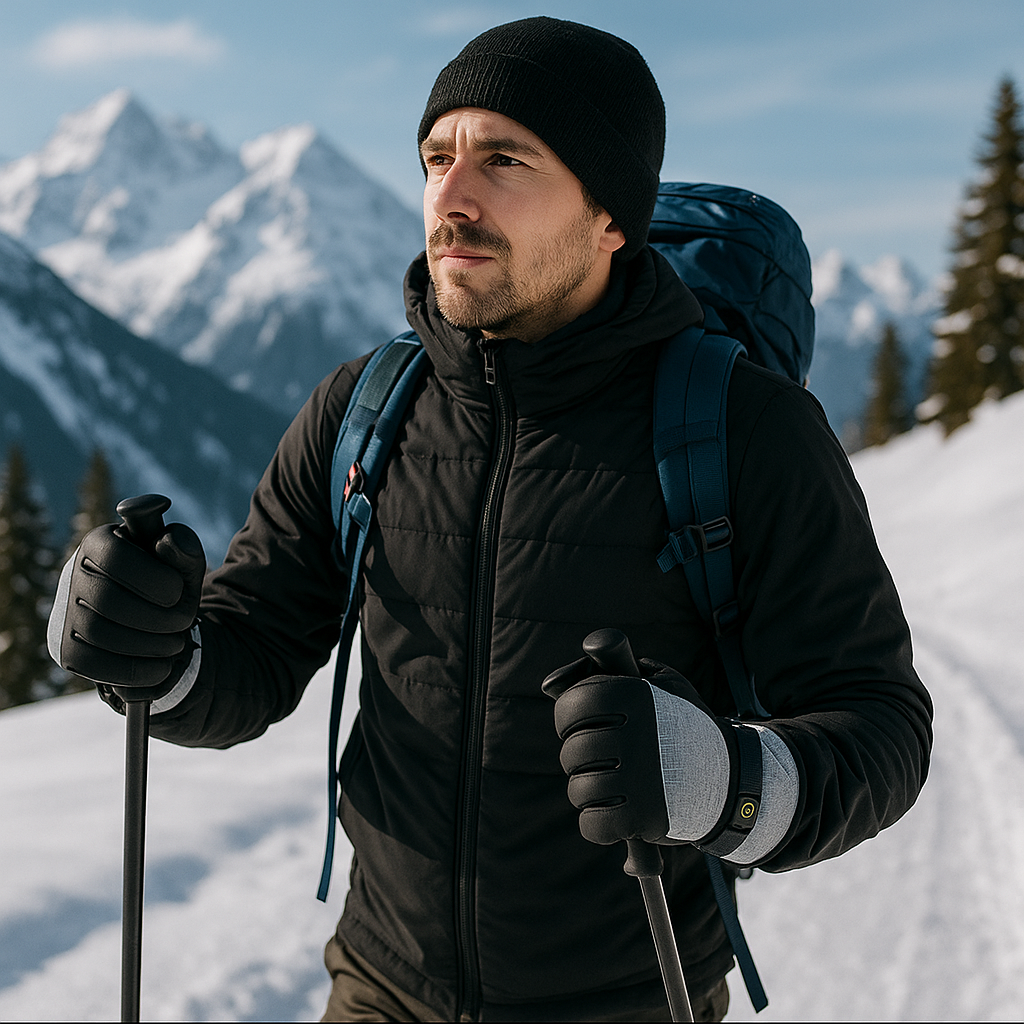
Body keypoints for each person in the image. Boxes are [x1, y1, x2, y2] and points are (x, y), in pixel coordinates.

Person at [48, 17, 933, 1023]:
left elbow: (880, 727)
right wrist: (153, 649)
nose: (450, 196)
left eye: (505, 158)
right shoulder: (365, 406)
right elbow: (249, 652)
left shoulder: (746, 430)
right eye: (437, 157)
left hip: (628, 997)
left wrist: (723, 780)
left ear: (611, 218)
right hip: (378, 987)